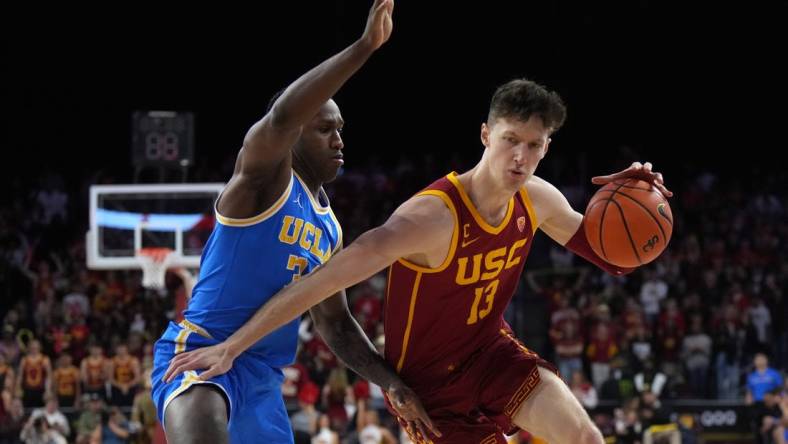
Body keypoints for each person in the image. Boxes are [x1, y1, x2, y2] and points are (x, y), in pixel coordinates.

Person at [165, 77, 672, 443]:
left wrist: (637, 205)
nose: (520, 157)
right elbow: (320, 286)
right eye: (510, 141)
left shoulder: (538, 199)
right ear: (485, 136)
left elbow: (616, 260)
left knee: (584, 437)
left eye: (534, 145)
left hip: (492, 354)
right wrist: (233, 346)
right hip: (430, 390)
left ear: (546, 147)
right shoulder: (430, 217)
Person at [152, 1, 432, 443]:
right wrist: (364, 48)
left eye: (341, 129)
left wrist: (390, 381)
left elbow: (335, 323)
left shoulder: (330, 229)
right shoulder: (262, 183)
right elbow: (282, 116)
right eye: (325, 129)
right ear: (298, 133)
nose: (339, 140)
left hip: (263, 379)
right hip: (203, 354)